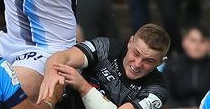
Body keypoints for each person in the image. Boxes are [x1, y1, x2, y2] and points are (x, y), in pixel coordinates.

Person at [37, 23, 171, 108]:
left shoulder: (157, 90)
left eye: (148, 61)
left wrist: (83, 87)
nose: (137, 64)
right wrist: (50, 73)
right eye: (136, 53)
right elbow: (62, 57)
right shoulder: (106, 48)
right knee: (55, 76)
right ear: (130, 42)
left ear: (161, 62)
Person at [162, 25, 210, 108]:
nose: (197, 46)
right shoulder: (172, 65)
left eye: (202, 41)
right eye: (193, 40)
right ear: (184, 41)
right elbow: (164, 97)